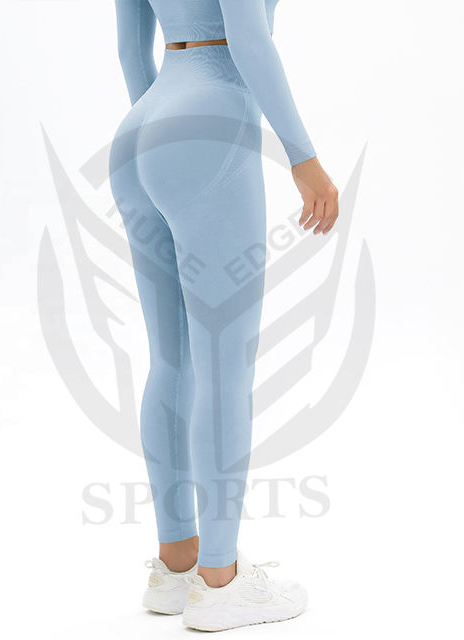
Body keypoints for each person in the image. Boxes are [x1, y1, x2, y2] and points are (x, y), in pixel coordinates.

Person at [108, 0, 338, 630]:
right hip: (211, 114)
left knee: (171, 359)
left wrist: (161, 131)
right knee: (223, 364)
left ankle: (175, 566)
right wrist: (303, 158)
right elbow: (247, 37)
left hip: (141, 124)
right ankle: (220, 581)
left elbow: (130, 50)